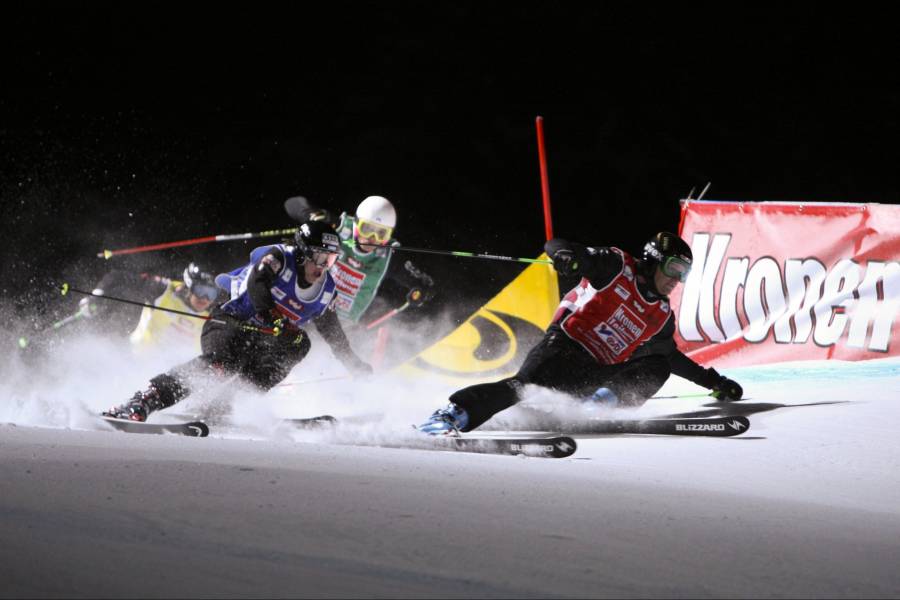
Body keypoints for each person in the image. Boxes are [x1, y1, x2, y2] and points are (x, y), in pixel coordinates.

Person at [417, 231, 744, 435]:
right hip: (564, 347)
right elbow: (560, 245)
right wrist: (566, 257)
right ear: (654, 261)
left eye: (684, 274)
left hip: (595, 373)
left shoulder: (660, 315)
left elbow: (671, 358)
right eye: (674, 269)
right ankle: (455, 414)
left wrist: (715, 382)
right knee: (524, 387)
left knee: (656, 366)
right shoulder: (617, 267)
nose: (677, 279)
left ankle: (596, 406)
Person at [102, 221, 372, 422]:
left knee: (300, 344)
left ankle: (226, 403)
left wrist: (354, 364)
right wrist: (274, 318)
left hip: (261, 338)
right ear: (302, 252)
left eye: (332, 259)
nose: (324, 265)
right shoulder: (280, 258)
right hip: (230, 320)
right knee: (223, 363)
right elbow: (257, 284)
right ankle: (146, 400)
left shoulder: (326, 291)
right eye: (320, 257)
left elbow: (333, 332)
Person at [284, 195, 436, 327]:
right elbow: (292, 204)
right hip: (306, 310)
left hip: (342, 327)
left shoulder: (388, 257)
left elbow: (426, 284)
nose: (372, 239)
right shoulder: (336, 230)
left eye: (381, 234)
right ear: (356, 223)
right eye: (367, 229)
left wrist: (421, 291)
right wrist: (312, 215)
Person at [72, 262, 221, 353]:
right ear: (189, 286)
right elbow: (117, 276)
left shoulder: (216, 312)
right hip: (138, 361)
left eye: (211, 294)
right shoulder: (163, 290)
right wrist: (95, 297)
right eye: (201, 291)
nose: (205, 299)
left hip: (175, 377)